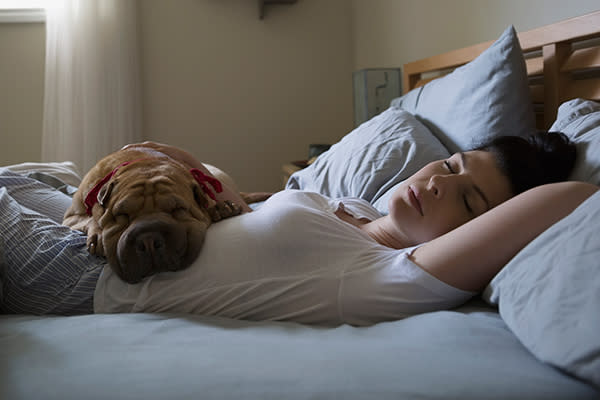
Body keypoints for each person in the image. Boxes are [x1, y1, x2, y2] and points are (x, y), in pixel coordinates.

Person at [0, 132, 597, 326]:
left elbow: (569, 195)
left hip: (79, 278)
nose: (438, 182)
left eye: (467, 200)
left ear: (483, 230)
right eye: (449, 164)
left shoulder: (397, 275)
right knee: (27, 174)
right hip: (91, 233)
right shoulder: (360, 209)